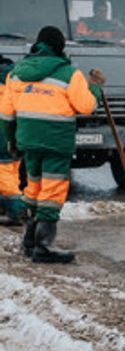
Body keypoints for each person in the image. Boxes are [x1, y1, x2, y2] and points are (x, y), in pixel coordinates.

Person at [0, 27, 102, 262]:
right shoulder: (69, 74)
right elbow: (86, 106)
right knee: (52, 192)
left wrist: (12, 140)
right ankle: (43, 246)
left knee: (33, 187)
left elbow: (6, 113)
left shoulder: (16, 73)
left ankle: (29, 239)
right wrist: (95, 87)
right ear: (61, 48)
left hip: (28, 141)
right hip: (55, 142)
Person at [0, 54, 24, 226]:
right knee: (13, 175)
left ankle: (16, 213)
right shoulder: (17, 77)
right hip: (17, 136)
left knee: (5, 180)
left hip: (1, 139)